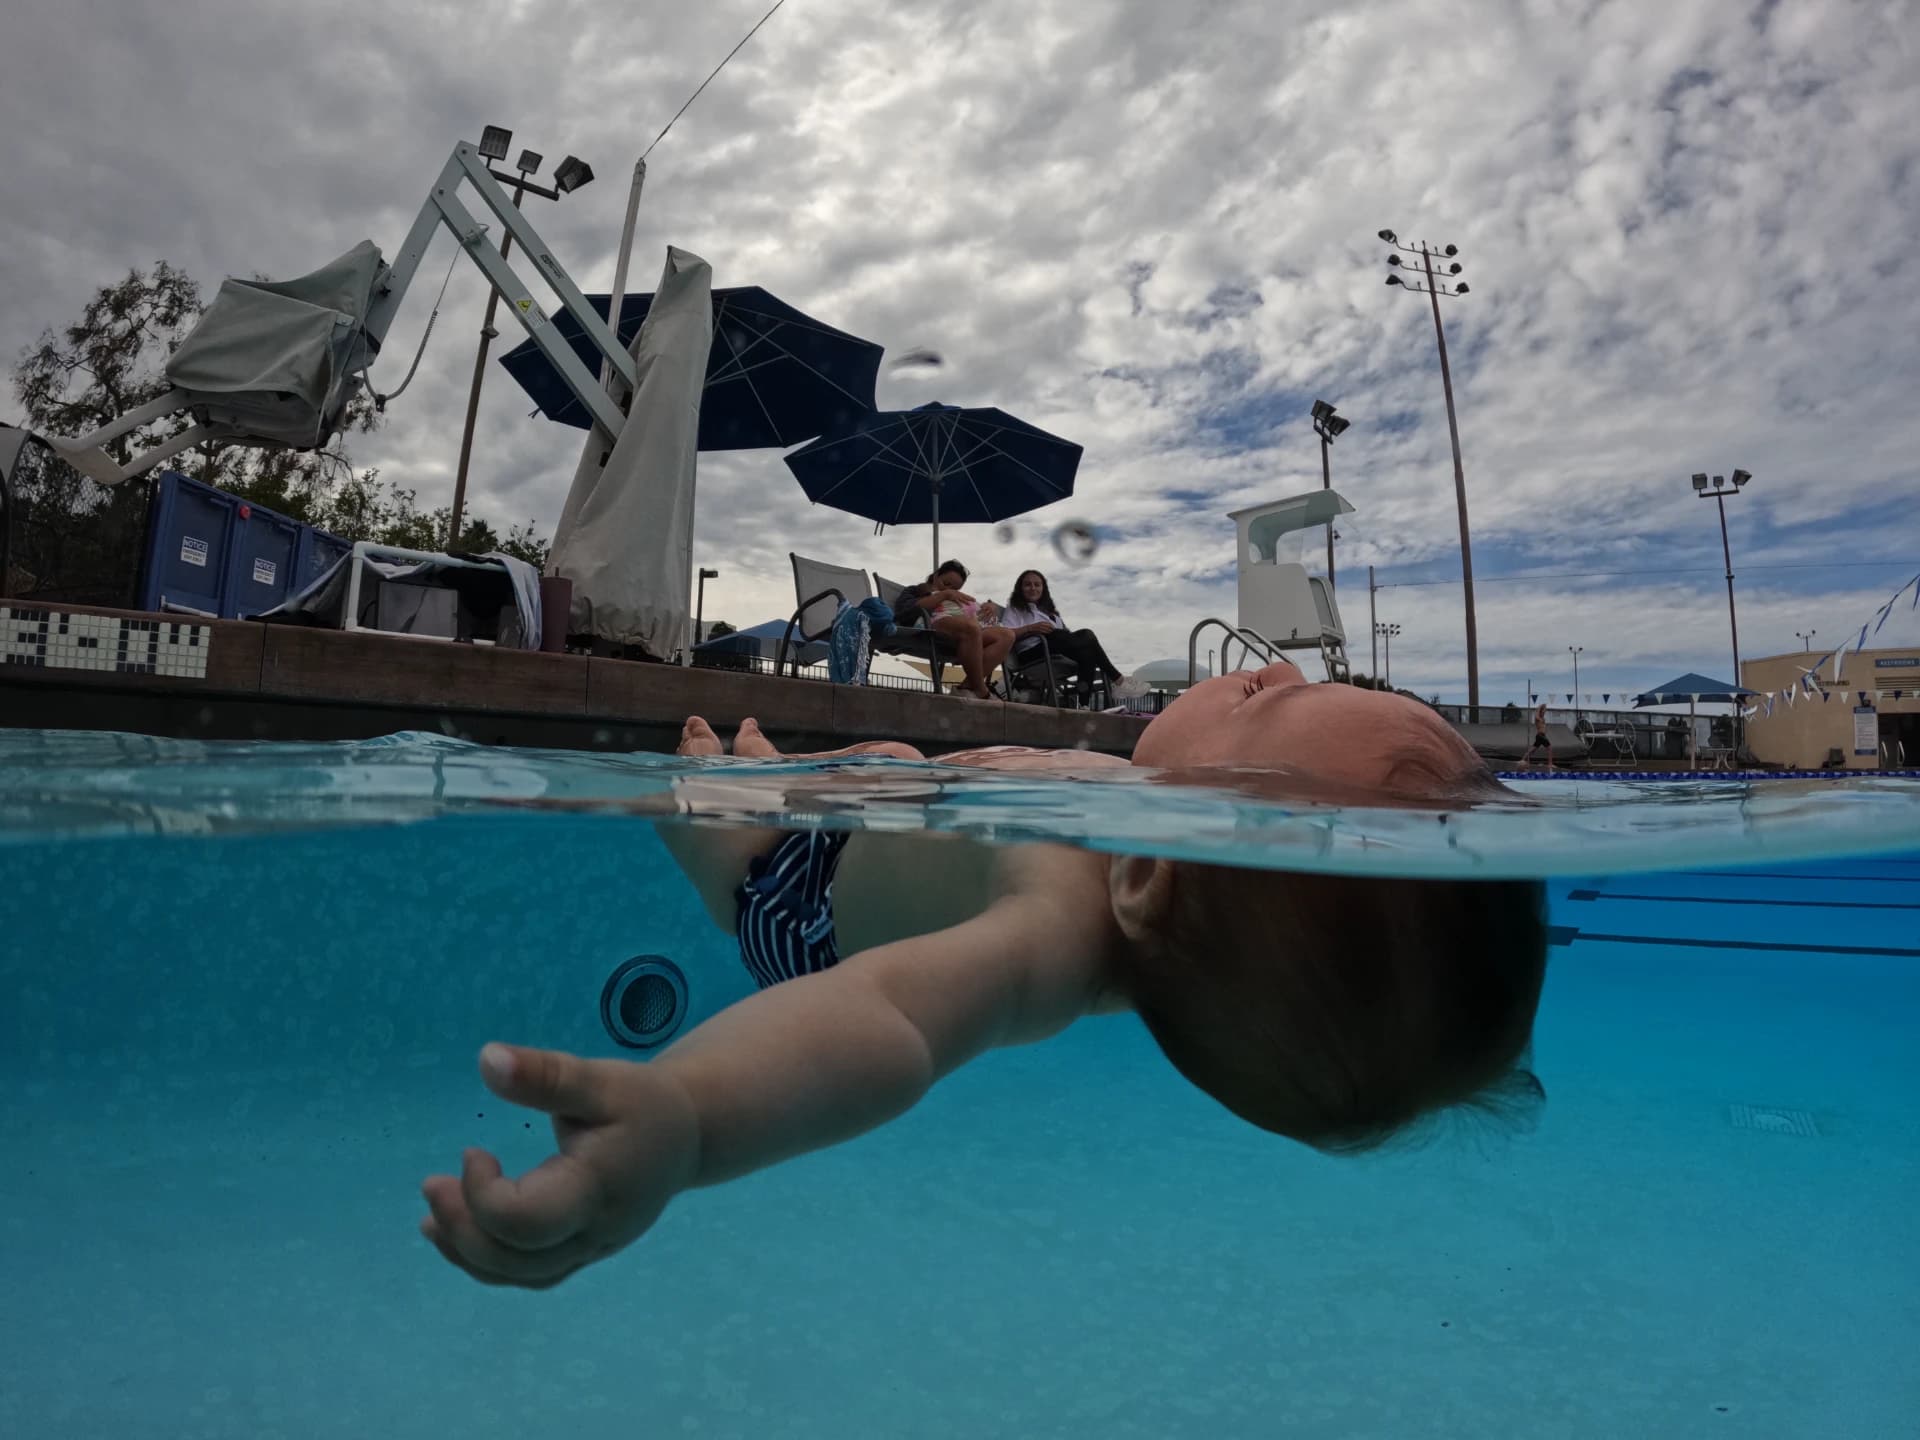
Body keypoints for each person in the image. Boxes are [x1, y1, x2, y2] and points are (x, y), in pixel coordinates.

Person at [419, 659, 1549, 1289]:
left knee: (703, 803)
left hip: (790, 900)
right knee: (894, 765)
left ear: (1154, 874)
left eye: (1268, 704)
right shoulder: (1146, 837)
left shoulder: (1057, 925)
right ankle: (779, 776)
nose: (1269, 665)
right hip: (879, 813)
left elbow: (889, 1021)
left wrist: (691, 1118)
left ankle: (727, 789)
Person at [997, 569, 1138, 705]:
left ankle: (1083, 705)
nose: (1033, 588)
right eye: (1027, 584)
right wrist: (1030, 628)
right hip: (1032, 653)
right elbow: (1006, 633)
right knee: (1086, 636)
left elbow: (1065, 638)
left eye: (1037, 584)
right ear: (1020, 588)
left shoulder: (1052, 614)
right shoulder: (1015, 608)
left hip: (1053, 650)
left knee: (1087, 653)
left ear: (1043, 588)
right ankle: (1118, 680)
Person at [888, 558, 1014, 699]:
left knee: (1007, 635)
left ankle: (966, 687)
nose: (949, 589)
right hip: (932, 630)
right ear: (936, 576)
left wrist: (990, 607)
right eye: (946, 583)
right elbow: (905, 612)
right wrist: (944, 595)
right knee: (970, 628)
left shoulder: (956, 599)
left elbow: (972, 611)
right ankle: (981, 690)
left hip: (967, 635)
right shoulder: (916, 590)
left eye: (955, 588)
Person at [1525, 702, 1554, 771]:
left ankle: (1523, 759)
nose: (1545, 712)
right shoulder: (1537, 718)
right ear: (1541, 711)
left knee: (1532, 750)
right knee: (1549, 748)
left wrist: (1544, 707)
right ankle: (1550, 764)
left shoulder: (1543, 719)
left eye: (1545, 710)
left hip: (1542, 736)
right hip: (1540, 736)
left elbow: (1543, 727)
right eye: (1544, 710)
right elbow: (1537, 713)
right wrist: (1540, 706)